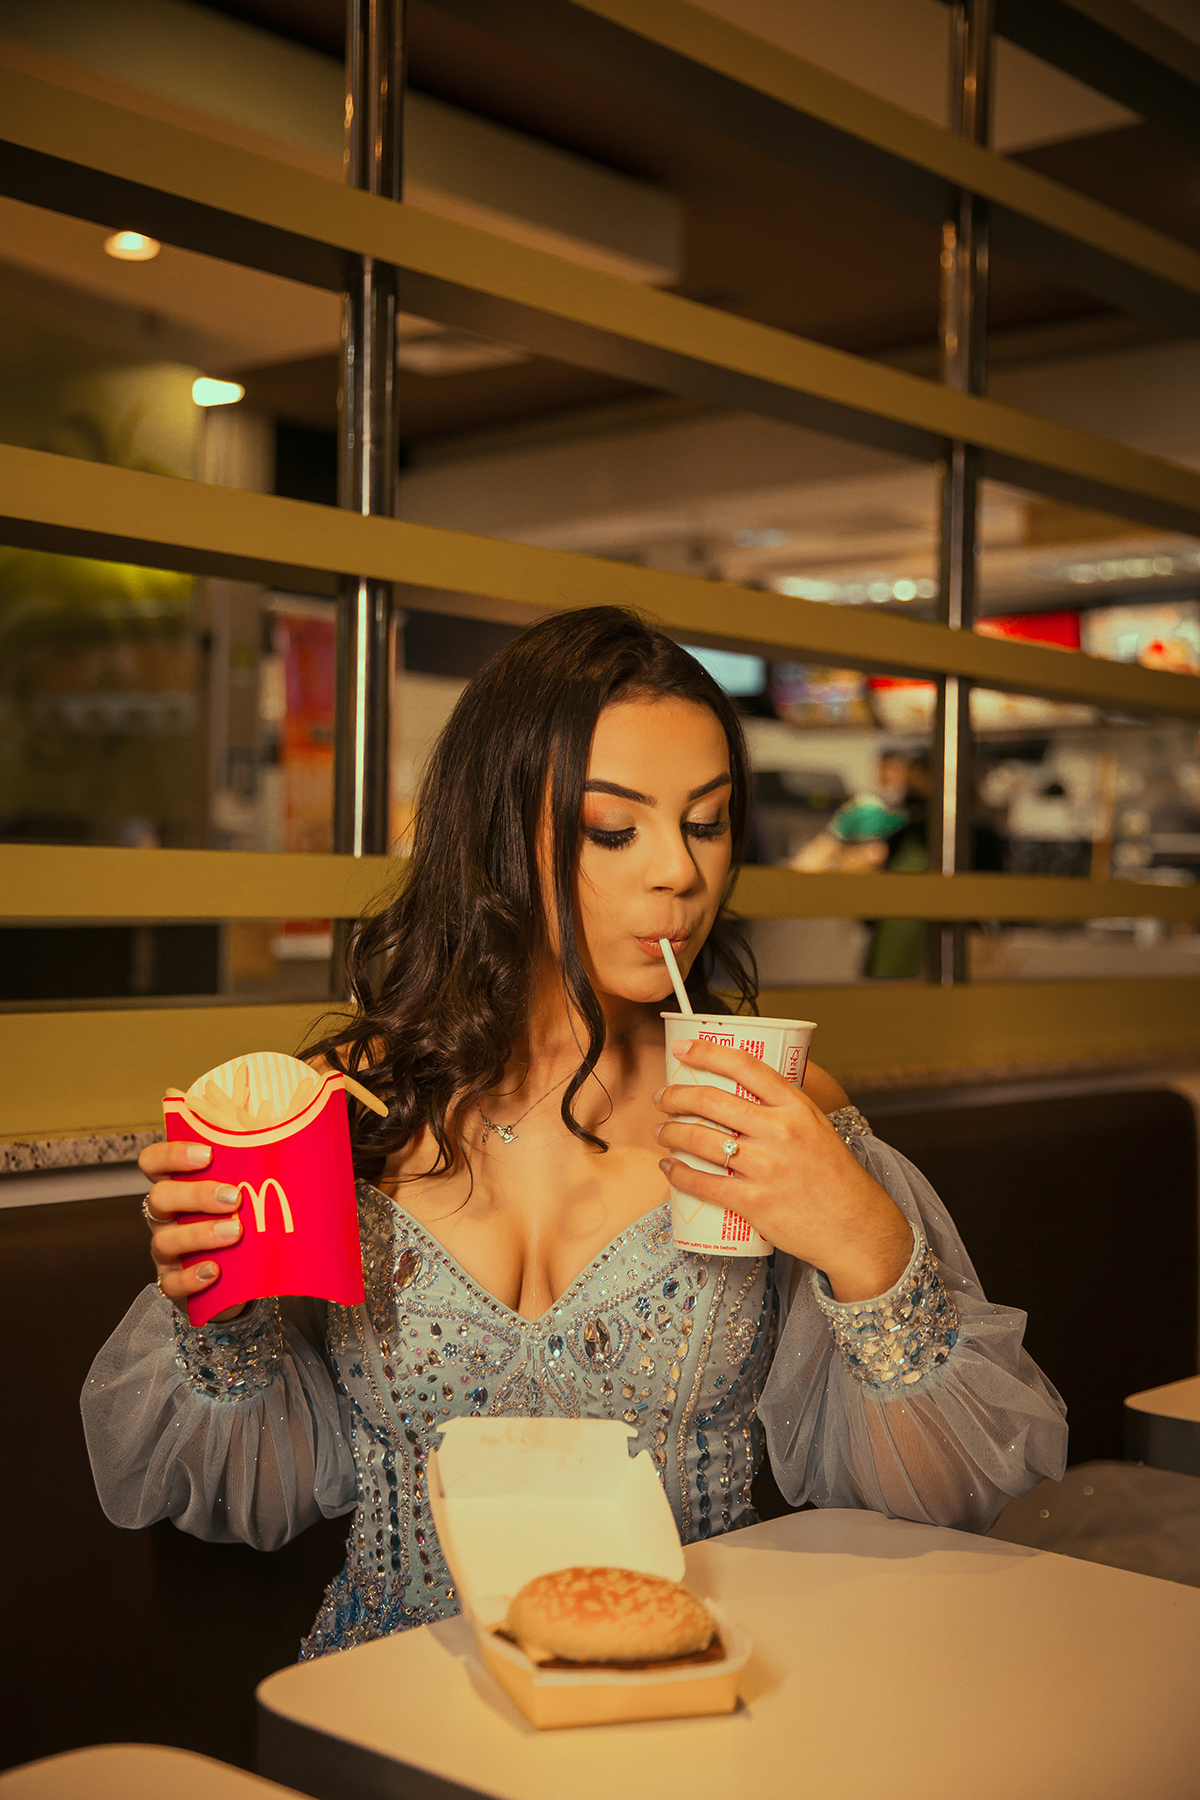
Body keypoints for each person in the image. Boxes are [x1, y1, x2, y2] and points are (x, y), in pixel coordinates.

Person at [83, 607, 1067, 1657]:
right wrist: (219, 1307)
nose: (679, 872)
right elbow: (242, 1494)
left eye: (706, 822)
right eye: (613, 829)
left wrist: (865, 1245)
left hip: (680, 1675)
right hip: (392, 1691)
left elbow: (953, 1497)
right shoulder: (349, 1107)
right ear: (499, 833)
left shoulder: (769, 1103)